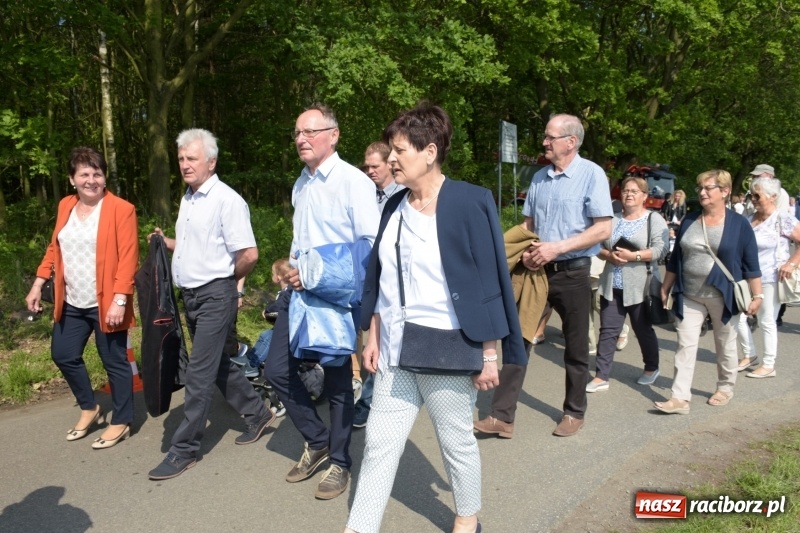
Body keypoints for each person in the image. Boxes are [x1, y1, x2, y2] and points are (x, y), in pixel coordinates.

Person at [344, 103, 525, 533]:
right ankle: (359, 527)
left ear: (429, 152)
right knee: (379, 445)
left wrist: (489, 354)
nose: (391, 159)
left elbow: (487, 281)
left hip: (448, 344)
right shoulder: (394, 205)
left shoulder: (468, 201)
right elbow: (382, 277)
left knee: (455, 442)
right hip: (394, 348)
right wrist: (374, 333)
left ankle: (467, 518)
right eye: (390, 150)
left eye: (399, 150)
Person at [263, 104, 380, 500]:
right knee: (276, 369)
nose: (301, 139)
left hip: (333, 297)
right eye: (297, 132)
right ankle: (318, 441)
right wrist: (288, 266)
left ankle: (340, 462)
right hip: (298, 294)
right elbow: (301, 242)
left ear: (334, 134)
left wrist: (318, 272)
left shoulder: (353, 182)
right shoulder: (301, 183)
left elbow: (369, 245)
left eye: (310, 131)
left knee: (337, 382)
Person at [474, 114, 613, 438]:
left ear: (571, 141)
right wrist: (522, 251)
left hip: (574, 273)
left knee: (576, 348)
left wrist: (557, 248)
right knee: (518, 341)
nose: (544, 142)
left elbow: (604, 228)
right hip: (536, 274)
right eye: (546, 136)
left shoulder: (592, 174)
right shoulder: (539, 177)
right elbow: (529, 225)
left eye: (550, 137)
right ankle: (502, 417)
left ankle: (574, 412)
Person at [147, 128, 274, 480]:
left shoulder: (226, 200)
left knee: (198, 374)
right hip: (191, 297)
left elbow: (249, 253)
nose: (185, 165)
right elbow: (196, 246)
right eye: (181, 159)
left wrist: (225, 281)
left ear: (211, 162)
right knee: (216, 364)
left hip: (216, 296)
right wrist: (167, 243)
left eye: (192, 158)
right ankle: (258, 413)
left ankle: (184, 449)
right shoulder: (188, 199)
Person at [25, 147, 138, 449]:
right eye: (84, 174)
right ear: (72, 179)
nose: (91, 180)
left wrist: (120, 300)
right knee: (63, 354)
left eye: (97, 173)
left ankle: (121, 420)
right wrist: (38, 283)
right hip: (71, 300)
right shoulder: (66, 205)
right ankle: (89, 406)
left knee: (114, 362)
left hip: (107, 302)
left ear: (105, 177)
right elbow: (54, 248)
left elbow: (129, 259)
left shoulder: (121, 209)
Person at [655, 170, 762, 415]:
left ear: (724, 191)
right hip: (689, 294)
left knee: (725, 345)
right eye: (700, 188)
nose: (702, 192)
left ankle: (725, 387)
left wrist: (758, 296)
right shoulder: (690, 220)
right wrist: (666, 286)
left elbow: (751, 264)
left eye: (708, 188)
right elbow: (676, 258)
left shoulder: (739, 225)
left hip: (723, 296)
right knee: (685, 345)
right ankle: (680, 398)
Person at [586, 176, 668, 393]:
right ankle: (601, 376)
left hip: (640, 287)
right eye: (625, 191)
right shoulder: (612, 219)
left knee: (643, 330)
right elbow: (596, 245)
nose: (629, 194)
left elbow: (661, 249)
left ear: (644, 196)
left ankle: (651, 368)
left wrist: (635, 256)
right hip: (611, 284)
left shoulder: (654, 219)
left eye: (634, 191)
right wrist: (608, 255)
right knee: (608, 331)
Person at [353, 141, 407, 428]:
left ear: (389, 164)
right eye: (366, 167)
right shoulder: (364, 193)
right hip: (364, 273)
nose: (370, 171)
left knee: (382, 336)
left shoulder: (403, 195)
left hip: (390, 278)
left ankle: (369, 402)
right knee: (363, 331)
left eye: (375, 166)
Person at [734, 177, 800, 378]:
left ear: (773, 196)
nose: (753, 199)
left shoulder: (783, 219)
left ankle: (769, 364)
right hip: (747, 276)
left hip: (772, 276)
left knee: (766, 319)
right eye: (751, 195)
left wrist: (791, 263)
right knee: (737, 316)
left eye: (757, 195)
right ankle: (750, 354)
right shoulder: (747, 220)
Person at [232, 258, 292, 378]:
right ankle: (250, 358)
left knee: (268, 338)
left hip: (290, 331)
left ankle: (253, 365)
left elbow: (278, 307)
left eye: (273, 273)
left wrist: (267, 311)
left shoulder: (288, 293)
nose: (272, 275)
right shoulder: (286, 292)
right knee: (265, 335)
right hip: (285, 327)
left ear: (278, 277)